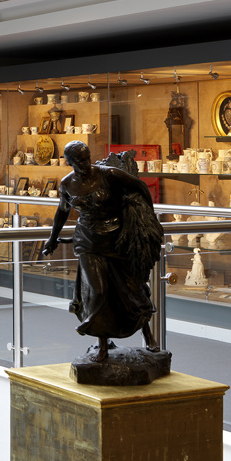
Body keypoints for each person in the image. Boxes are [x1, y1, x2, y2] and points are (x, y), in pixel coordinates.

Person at [39, 142, 164, 362]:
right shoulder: (67, 184)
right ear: (69, 162)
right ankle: (102, 345)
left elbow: (141, 187)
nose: (85, 163)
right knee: (97, 292)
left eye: (87, 158)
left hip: (117, 240)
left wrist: (147, 218)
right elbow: (62, 211)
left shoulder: (109, 175)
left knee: (132, 289)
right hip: (88, 242)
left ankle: (148, 334)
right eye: (79, 161)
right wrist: (52, 238)